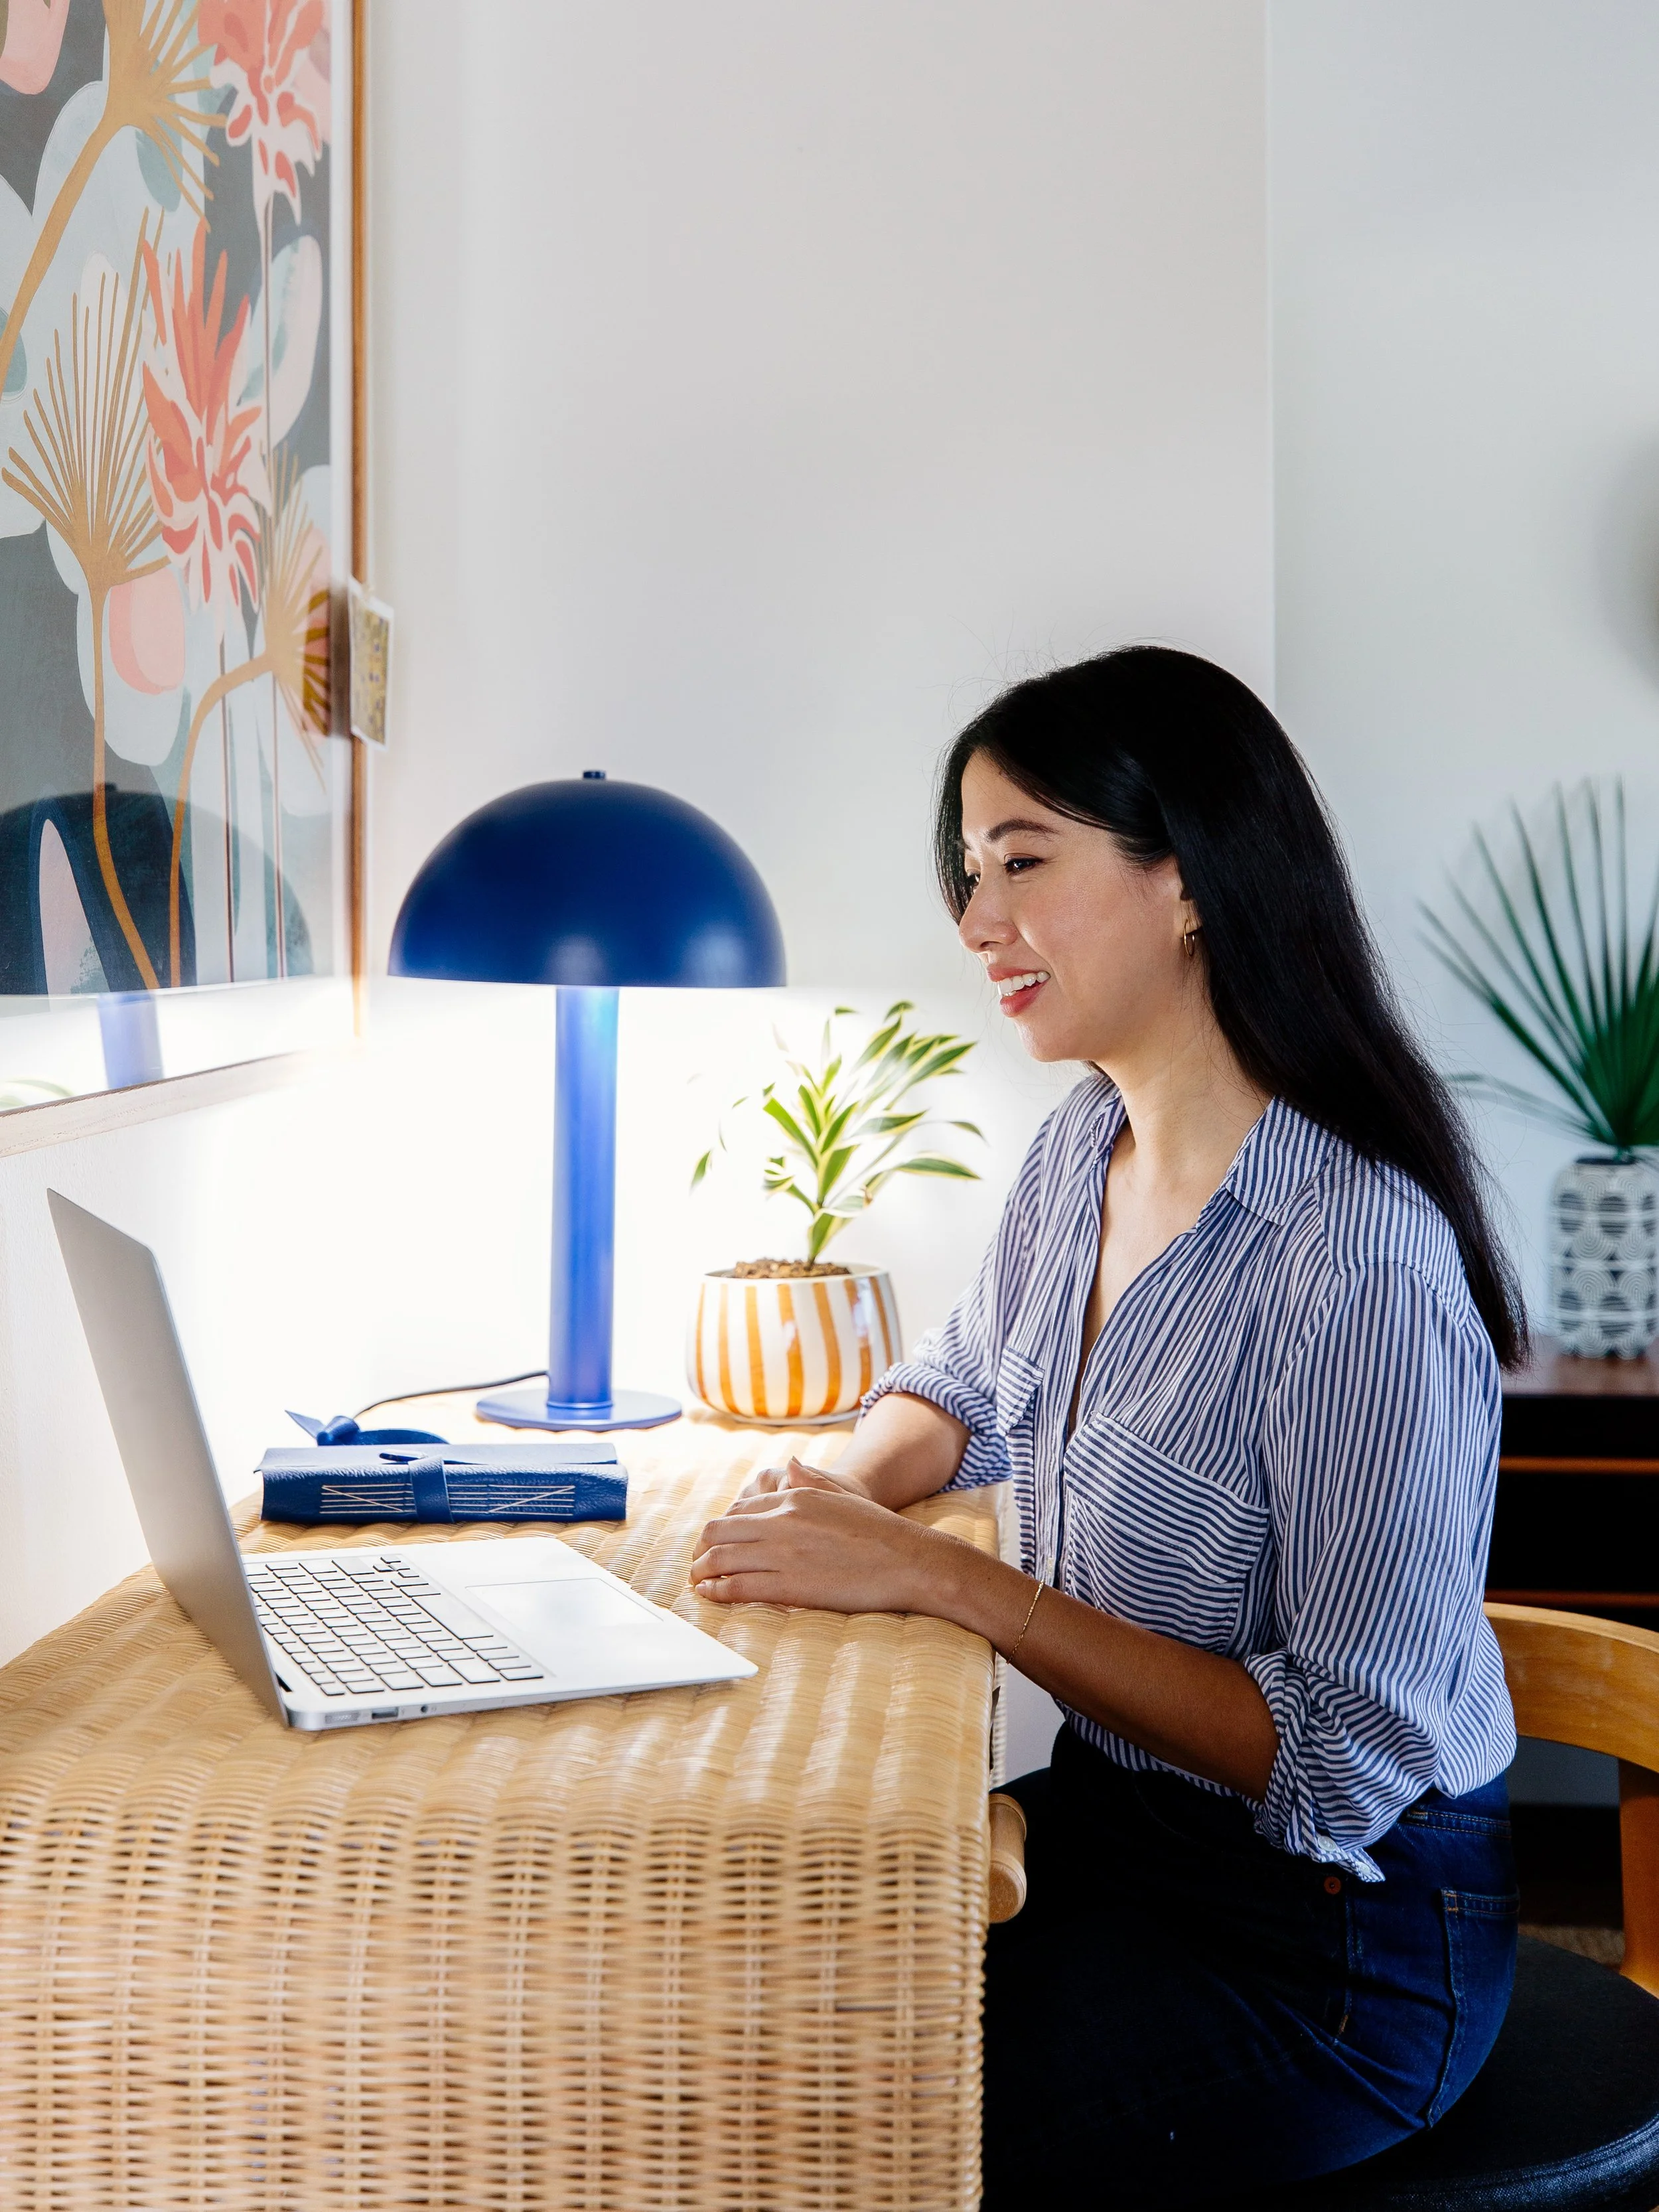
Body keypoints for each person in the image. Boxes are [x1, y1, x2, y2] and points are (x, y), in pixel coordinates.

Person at [689, 646, 1524, 2207]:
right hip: (1130, 1840)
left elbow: (1335, 1761)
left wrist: (940, 1578)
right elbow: (958, 1382)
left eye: (1021, 860)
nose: (973, 921)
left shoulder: (1351, 1267)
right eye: (965, 871)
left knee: (849, 2128)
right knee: (766, 2014)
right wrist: (823, 1494)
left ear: (1186, 880)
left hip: (1334, 1950)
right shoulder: (1084, 1149)